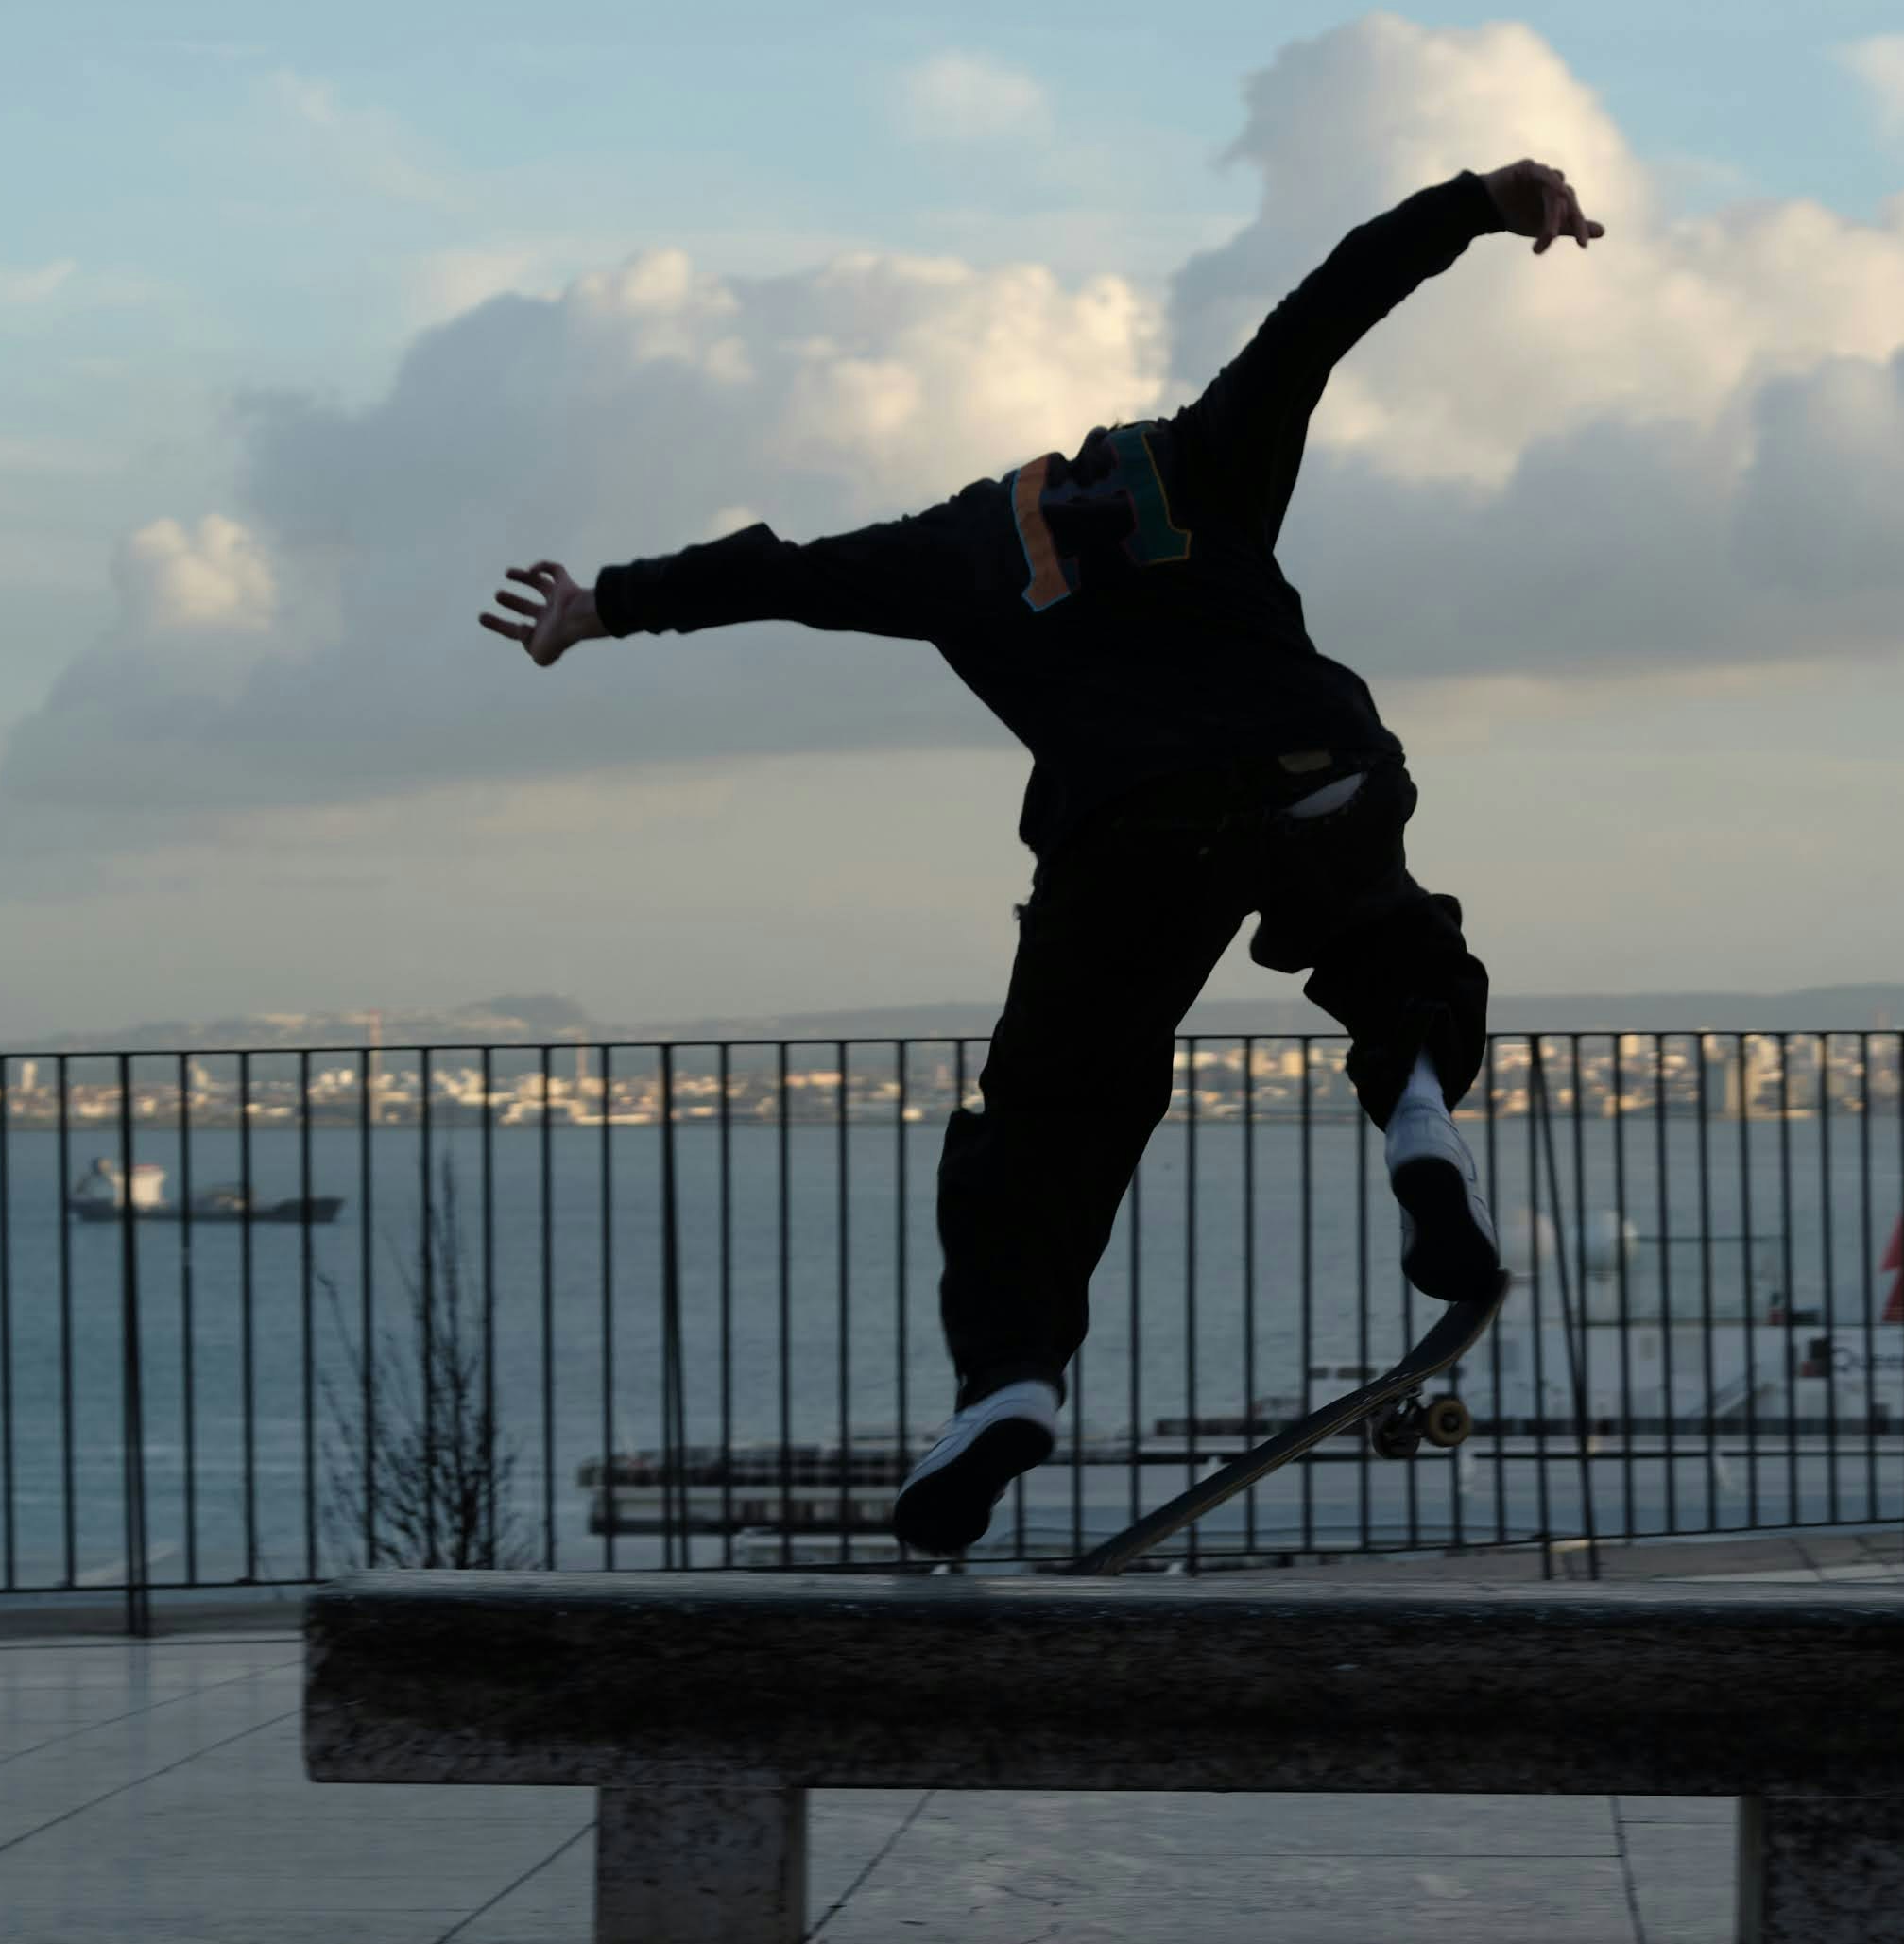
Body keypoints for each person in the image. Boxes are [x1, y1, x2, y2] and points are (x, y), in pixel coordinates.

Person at [484, 160, 1606, 1557]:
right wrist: (1483, 203)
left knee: (1048, 1120)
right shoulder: (1200, 453)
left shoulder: (951, 550)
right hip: (1314, 762)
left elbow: (778, 570)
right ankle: (1419, 1111)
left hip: (1129, 828)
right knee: (1391, 940)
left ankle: (1008, 1381)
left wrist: (601, 604)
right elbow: (1326, 309)